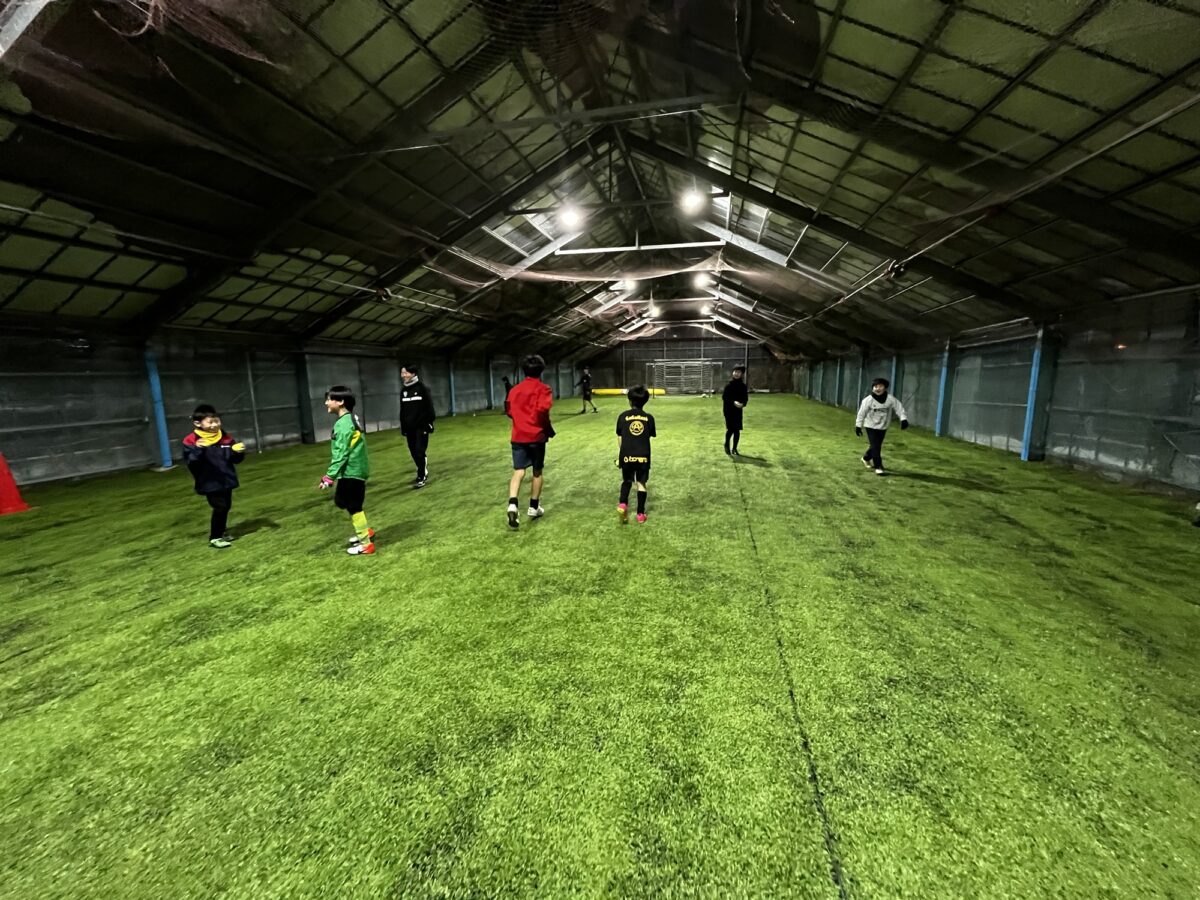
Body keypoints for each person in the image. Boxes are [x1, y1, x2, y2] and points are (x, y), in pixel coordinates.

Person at [317, 385, 374, 555]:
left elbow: (341, 454)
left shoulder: (343, 424)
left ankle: (366, 544)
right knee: (342, 501)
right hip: (354, 470)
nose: (326, 403)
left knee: (353, 505)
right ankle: (365, 530)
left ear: (340, 402)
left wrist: (329, 477)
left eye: (329, 399)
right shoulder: (351, 418)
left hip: (352, 471)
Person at [181, 404, 245, 549]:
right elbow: (191, 462)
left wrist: (237, 452)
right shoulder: (191, 440)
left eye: (217, 421)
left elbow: (235, 460)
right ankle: (215, 537)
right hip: (209, 481)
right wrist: (199, 449)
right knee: (220, 507)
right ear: (197, 423)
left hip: (226, 479)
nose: (215, 425)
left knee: (226, 507)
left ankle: (221, 532)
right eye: (210, 422)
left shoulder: (225, 437)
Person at [504, 354, 554, 529]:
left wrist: (520, 420)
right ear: (541, 370)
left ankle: (512, 503)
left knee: (518, 471)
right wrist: (548, 429)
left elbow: (509, 411)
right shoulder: (544, 389)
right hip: (536, 436)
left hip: (518, 436)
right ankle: (533, 507)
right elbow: (542, 411)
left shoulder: (514, 390)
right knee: (537, 471)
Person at [616, 385, 656, 524]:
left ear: (630, 400)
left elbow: (620, 437)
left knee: (627, 480)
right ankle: (640, 514)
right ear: (645, 401)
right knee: (641, 483)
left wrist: (623, 455)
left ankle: (623, 504)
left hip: (626, 455)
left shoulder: (622, 416)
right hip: (643, 455)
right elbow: (648, 436)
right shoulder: (649, 418)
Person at [855, 377, 909, 475]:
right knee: (876, 446)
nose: (878, 388)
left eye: (880, 386)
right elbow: (861, 413)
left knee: (876, 445)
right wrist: (858, 426)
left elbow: (899, 408)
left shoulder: (890, 399)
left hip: (883, 426)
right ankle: (878, 466)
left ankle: (866, 458)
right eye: (875, 386)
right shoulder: (868, 400)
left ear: (885, 388)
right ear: (872, 388)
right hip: (870, 425)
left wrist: (903, 419)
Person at [400, 364, 436, 488]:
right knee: (413, 451)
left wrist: (429, 423)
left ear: (413, 373)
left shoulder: (422, 389)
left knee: (420, 451)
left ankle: (421, 476)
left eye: (405, 373)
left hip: (421, 426)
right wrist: (403, 427)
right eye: (402, 373)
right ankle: (423, 469)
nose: (403, 375)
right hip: (409, 427)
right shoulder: (403, 391)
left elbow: (429, 408)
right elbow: (403, 410)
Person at [722, 366, 749, 455]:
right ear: (733, 373)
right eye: (735, 372)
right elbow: (724, 397)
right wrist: (733, 402)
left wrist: (743, 404)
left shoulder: (743, 386)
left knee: (737, 430)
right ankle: (726, 444)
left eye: (739, 372)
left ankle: (734, 448)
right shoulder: (728, 385)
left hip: (738, 411)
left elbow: (745, 398)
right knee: (730, 429)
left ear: (741, 374)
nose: (736, 373)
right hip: (728, 410)